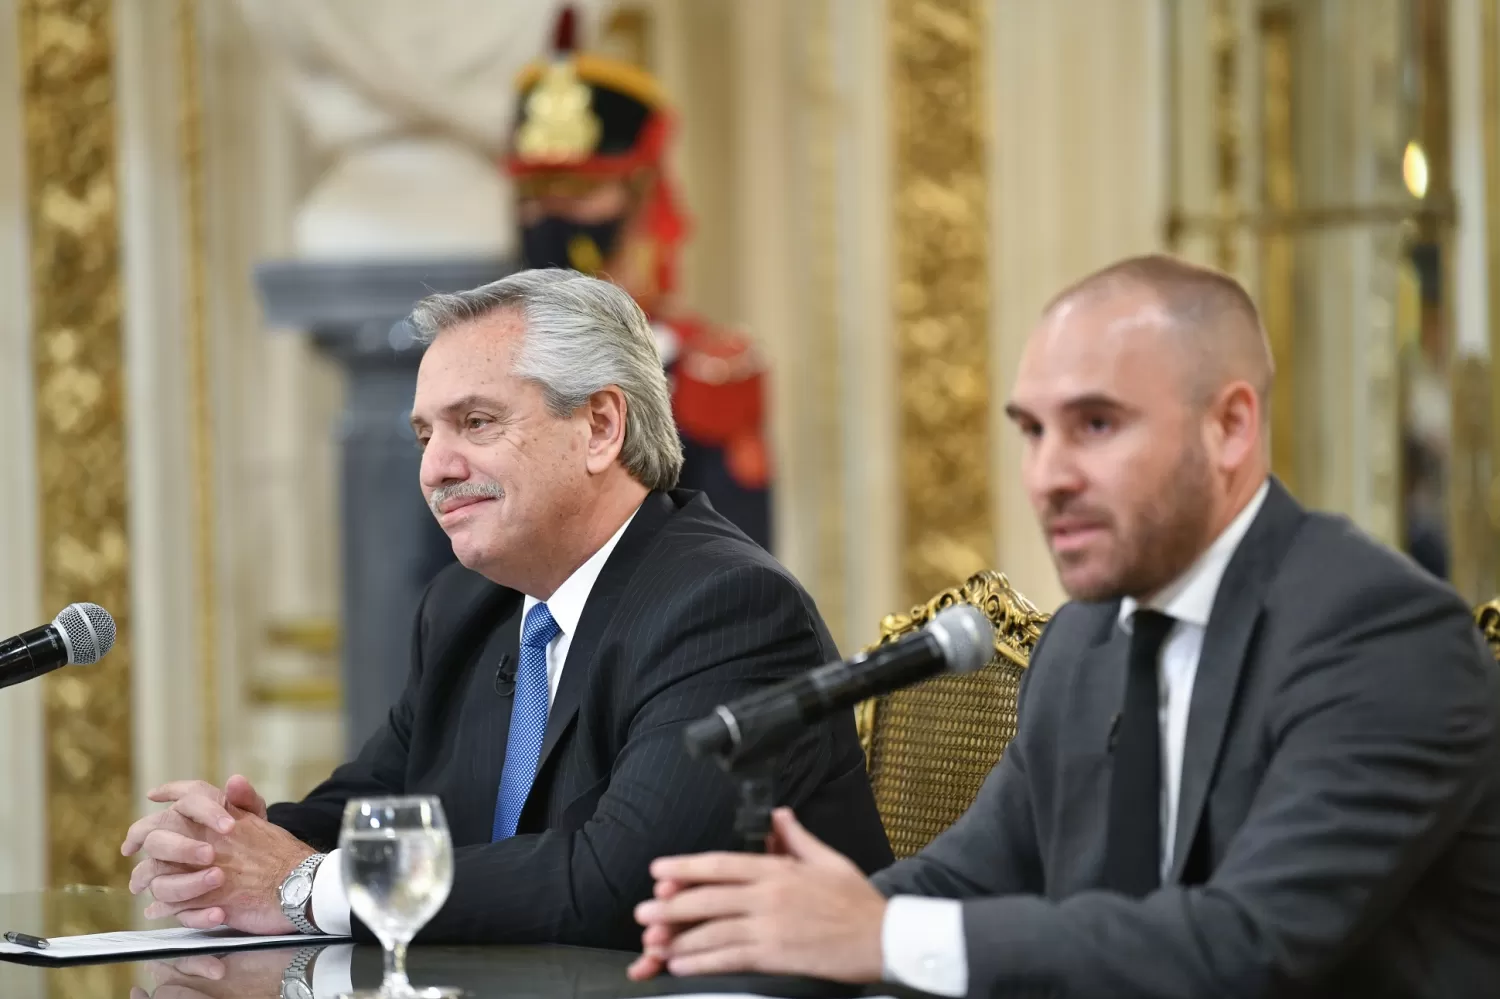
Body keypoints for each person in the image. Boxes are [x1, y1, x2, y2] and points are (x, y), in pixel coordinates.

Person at [629, 254, 1500, 997]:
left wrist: (879, 936)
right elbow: (971, 874)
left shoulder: (1380, 634)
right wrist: (780, 934)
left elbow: (1247, 945)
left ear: (1230, 426)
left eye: (1095, 425)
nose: (1047, 475)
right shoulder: (1087, 637)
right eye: (1032, 431)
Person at [120, 270, 892, 951]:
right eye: (425, 433)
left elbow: (617, 878)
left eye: (476, 422)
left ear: (599, 426)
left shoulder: (725, 607)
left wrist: (303, 884)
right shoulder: (471, 605)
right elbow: (380, 798)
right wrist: (236, 844)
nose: (435, 468)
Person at [503, 7, 772, 549]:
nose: (552, 216)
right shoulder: (485, 361)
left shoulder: (704, 372)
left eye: (579, 193)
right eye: (535, 197)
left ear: (640, 195)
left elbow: (738, 562)